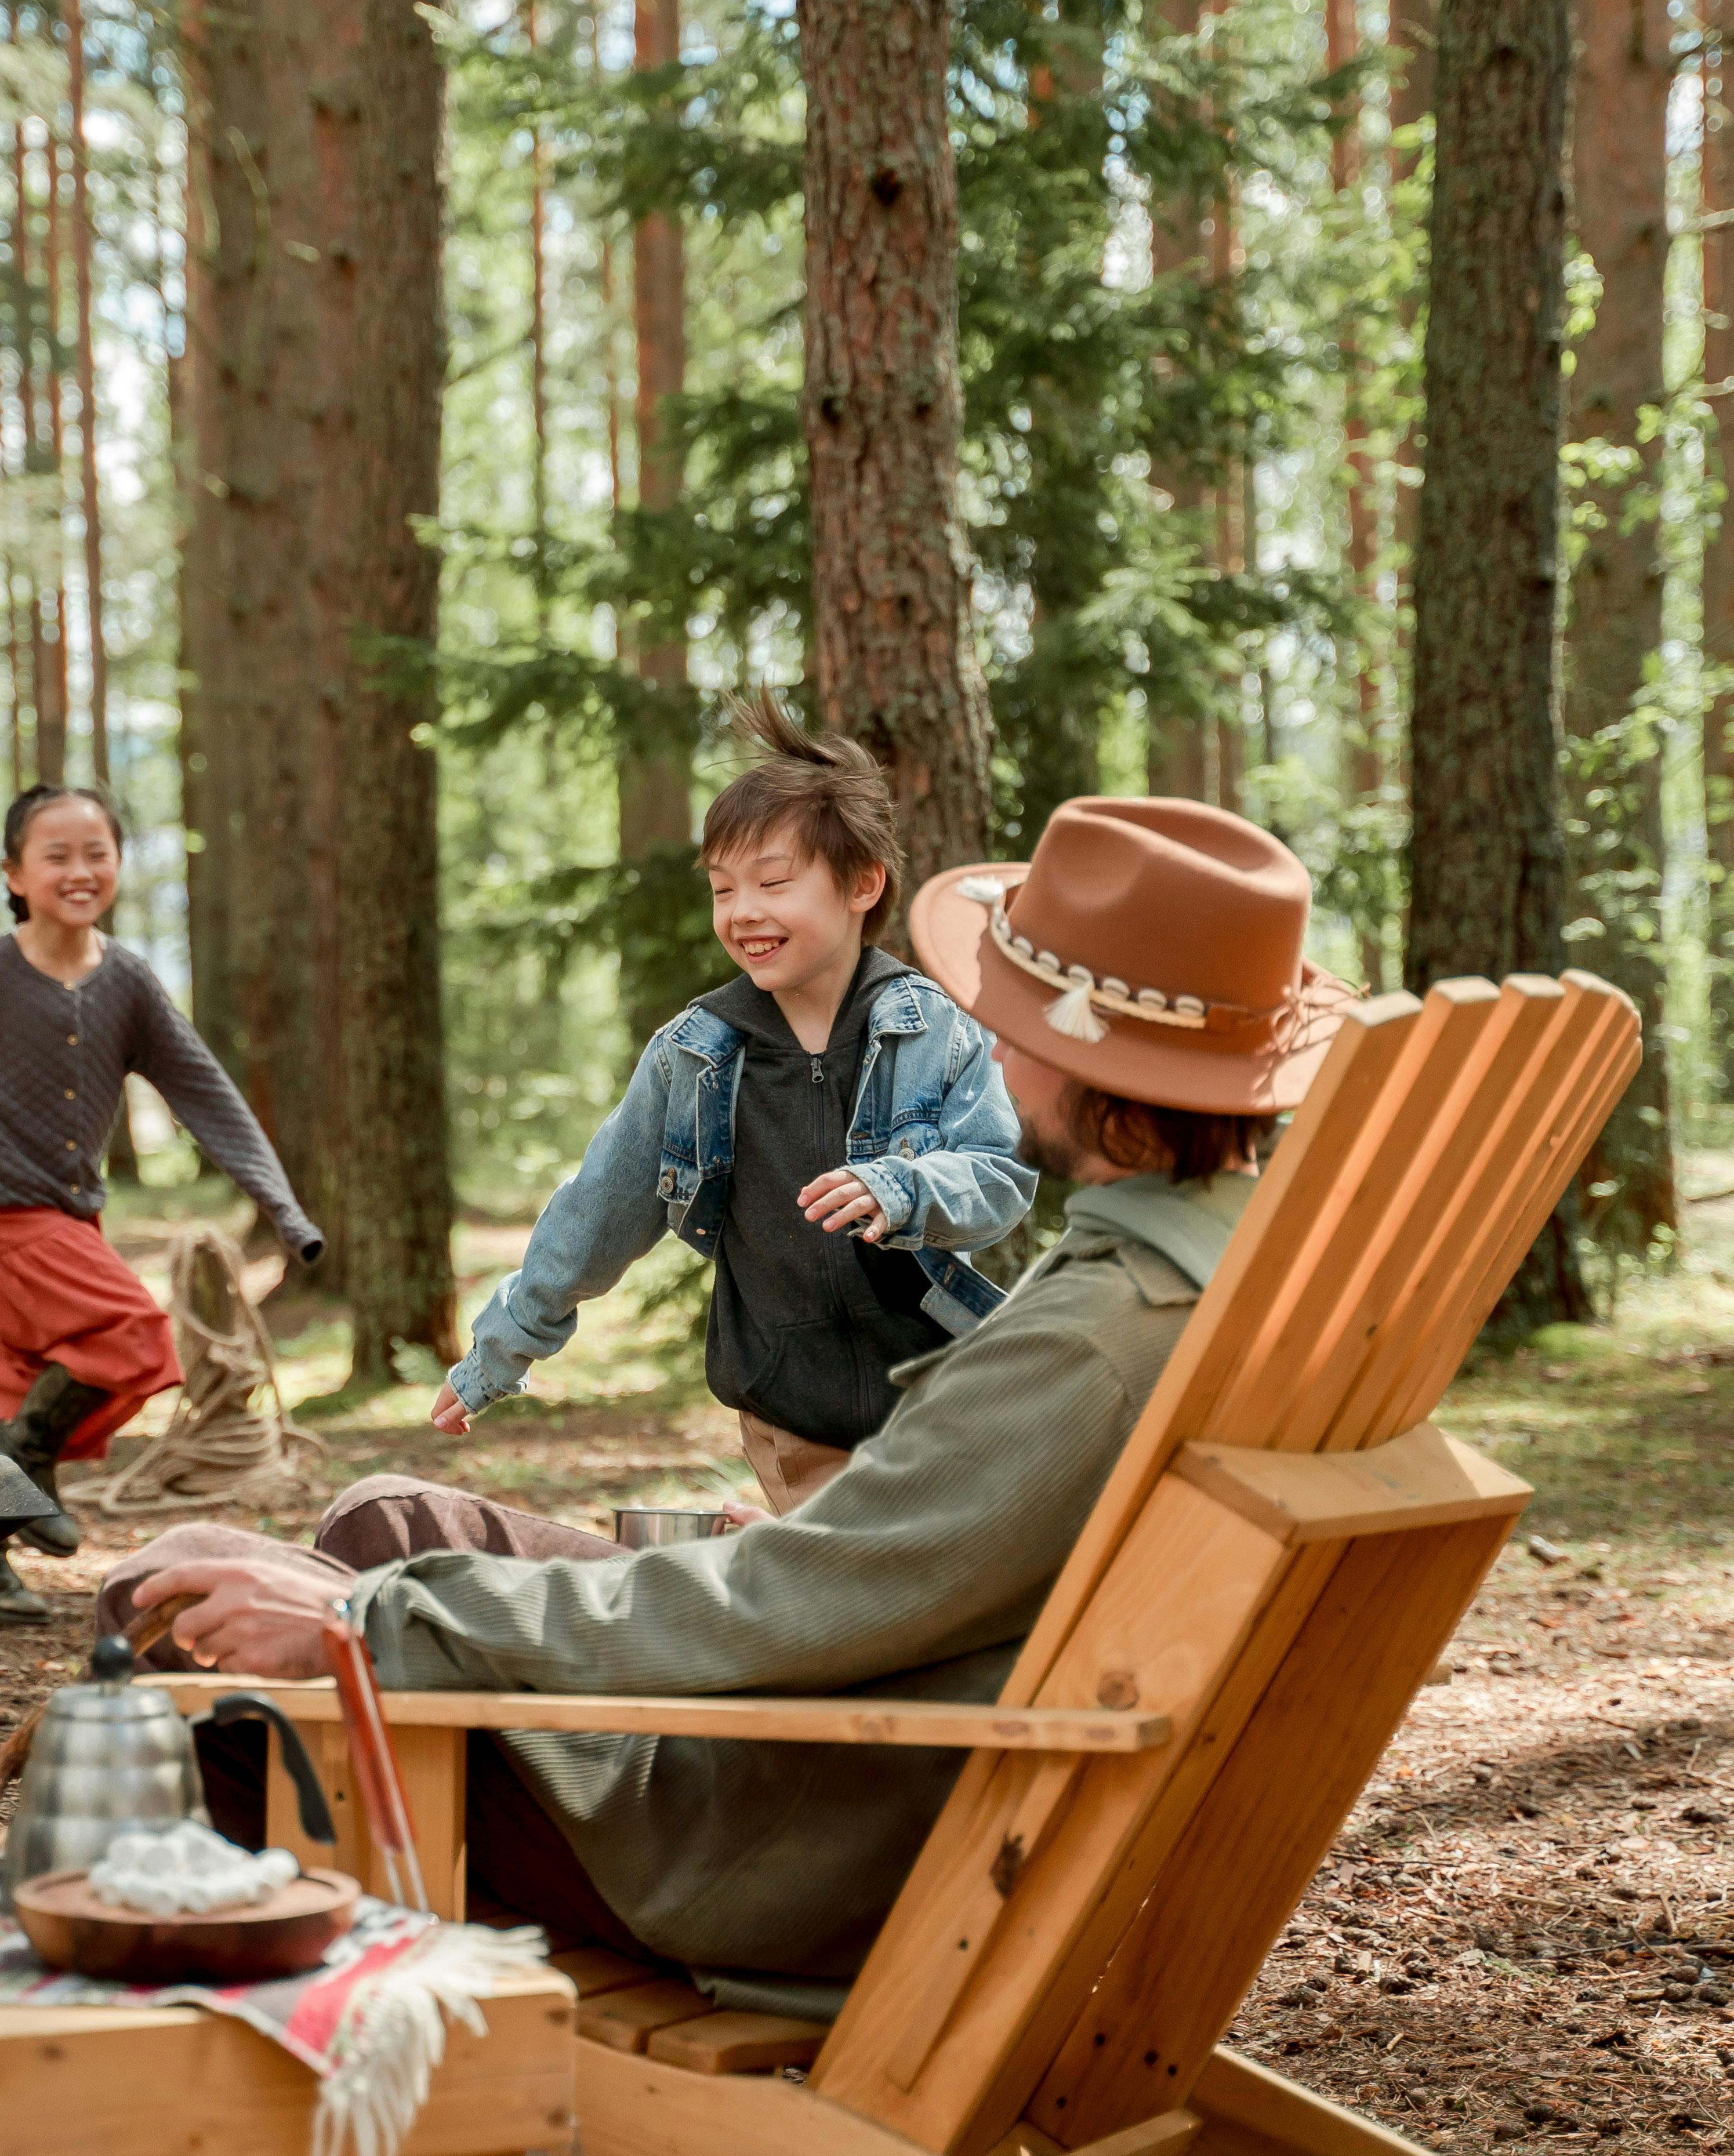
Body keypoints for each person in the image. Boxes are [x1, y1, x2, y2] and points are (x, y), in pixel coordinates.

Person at [105, 795, 1354, 1983]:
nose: (996, 1037)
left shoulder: (1091, 1341)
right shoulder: (1221, 1282)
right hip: (864, 1729)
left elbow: (788, 1604)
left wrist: (366, 1626)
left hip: (775, 1834)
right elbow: (898, 1564)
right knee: (390, 1518)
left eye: (1013, 1015)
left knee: (214, 1689)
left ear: (1078, 1055)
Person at [430, 692, 1033, 1515]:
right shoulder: (694, 1054)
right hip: (790, 1416)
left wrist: (904, 1189)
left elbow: (998, 1179)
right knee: (841, 1605)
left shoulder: (936, 1028)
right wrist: (496, 1356)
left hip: (941, 1401)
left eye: (774, 882)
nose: (744, 910)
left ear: (863, 884)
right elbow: (595, 1214)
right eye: (723, 889)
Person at [0, 783, 323, 1625]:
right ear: (14, 872)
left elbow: (207, 1093)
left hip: (70, 1214)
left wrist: (283, 1208)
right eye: (57, 855)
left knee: (26, 1383)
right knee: (133, 1333)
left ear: (119, 864)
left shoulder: (127, 981)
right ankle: (15, 1470)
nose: (79, 870)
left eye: (98, 853)